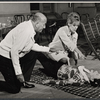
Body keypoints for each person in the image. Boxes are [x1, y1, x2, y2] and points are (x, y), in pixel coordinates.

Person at [0, 12, 54, 93]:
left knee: (34, 53)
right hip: (4, 58)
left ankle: (23, 80)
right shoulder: (27, 31)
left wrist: (49, 49)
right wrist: (18, 73)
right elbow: (14, 52)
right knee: (14, 88)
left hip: (12, 56)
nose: (44, 27)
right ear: (37, 23)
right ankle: (20, 79)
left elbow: (30, 45)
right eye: (43, 24)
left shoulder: (29, 26)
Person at [36, 12, 85, 79]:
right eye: (74, 25)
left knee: (70, 64)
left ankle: (55, 68)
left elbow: (73, 47)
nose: (76, 28)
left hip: (63, 52)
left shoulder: (75, 34)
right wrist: (80, 52)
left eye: (77, 26)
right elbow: (69, 44)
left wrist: (75, 59)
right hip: (53, 50)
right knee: (63, 62)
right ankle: (44, 56)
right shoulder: (62, 30)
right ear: (68, 24)